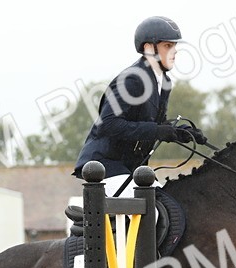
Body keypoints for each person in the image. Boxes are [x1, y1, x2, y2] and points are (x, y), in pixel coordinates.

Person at [74, 16, 208, 185]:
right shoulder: (131, 80)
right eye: (168, 46)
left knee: (171, 203)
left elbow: (154, 124)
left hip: (133, 168)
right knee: (157, 206)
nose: (175, 51)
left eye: (175, 46)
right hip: (105, 167)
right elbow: (109, 124)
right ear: (149, 48)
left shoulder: (164, 82)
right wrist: (157, 131)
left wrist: (181, 133)